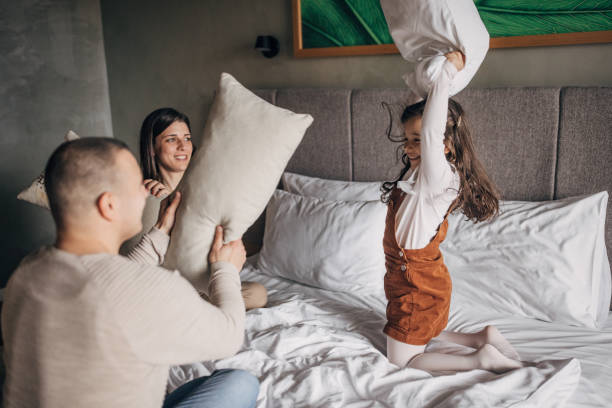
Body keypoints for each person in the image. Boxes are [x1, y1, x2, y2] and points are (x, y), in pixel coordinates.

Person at [2, 138, 259, 407]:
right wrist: (225, 269)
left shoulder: (26, 274)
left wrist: (160, 232)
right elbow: (229, 336)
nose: (145, 193)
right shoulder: (150, 289)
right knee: (241, 383)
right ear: (109, 205)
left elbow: (110, 281)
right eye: (138, 184)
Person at [380, 51, 522, 372]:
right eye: (407, 139)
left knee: (402, 360)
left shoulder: (438, 177)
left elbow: (431, 128)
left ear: (444, 144)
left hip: (417, 283)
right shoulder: (420, 172)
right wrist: (427, 75)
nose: (409, 146)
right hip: (417, 280)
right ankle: (479, 337)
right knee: (424, 329)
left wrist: (446, 74)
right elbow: (420, 113)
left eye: (418, 140)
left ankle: (478, 358)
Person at [124, 107, 267, 310]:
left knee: (257, 293)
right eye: (172, 139)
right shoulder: (148, 194)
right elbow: (138, 259)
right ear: (152, 148)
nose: (183, 146)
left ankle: (198, 304)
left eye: (187, 138)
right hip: (165, 280)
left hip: (203, 279)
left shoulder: (208, 189)